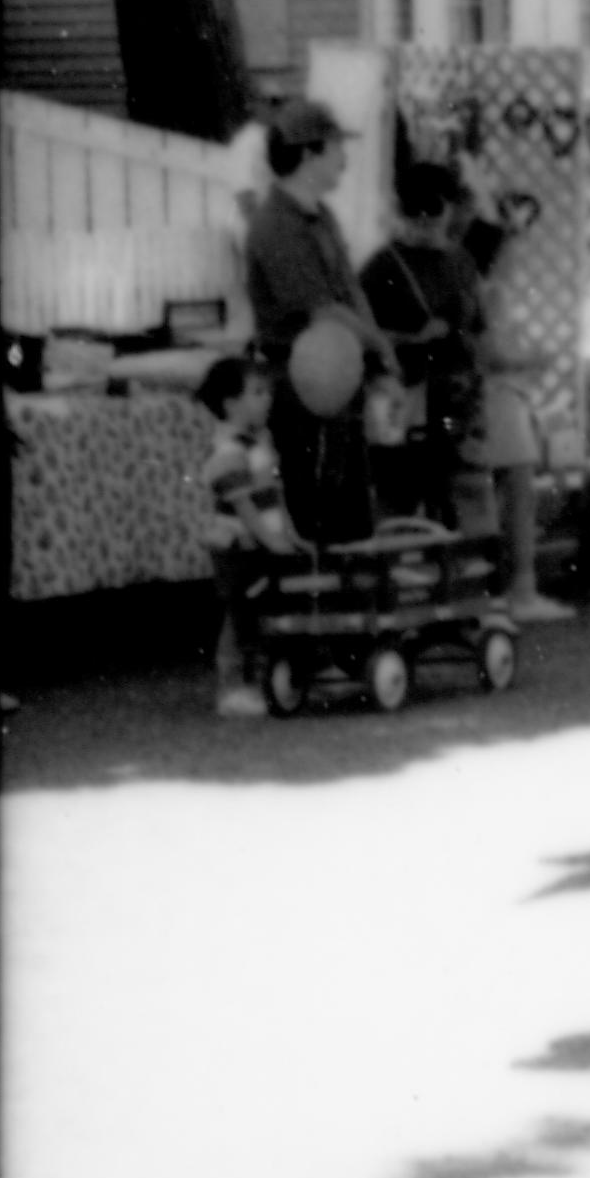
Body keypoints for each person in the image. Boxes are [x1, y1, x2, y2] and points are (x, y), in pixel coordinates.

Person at [360, 160, 572, 623]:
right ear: (401, 210)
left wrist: (515, 359)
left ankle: (496, 590)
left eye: (433, 212)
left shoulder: (459, 262)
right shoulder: (380, 269)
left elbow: (479, 334)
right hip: (410, 396)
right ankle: (409, 594)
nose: (425, 224)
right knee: (409, 494)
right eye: (415, 214)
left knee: (487, 476)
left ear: (448, 210)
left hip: (461, 394)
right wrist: (413, 341)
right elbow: (367, 341)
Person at [243, 98, 396, 550]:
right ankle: (322, 612)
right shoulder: (275, 225)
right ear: (308, 153)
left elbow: (351, 293)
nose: (344, 158)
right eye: (335, 147)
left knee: (350, 506)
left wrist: (379, 365)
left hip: (338, 381)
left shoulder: (320, 216)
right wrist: (382, 349)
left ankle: (352, 610)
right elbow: (322, 310)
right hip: (298, 385)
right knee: (316, 507)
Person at [196, 355, 297, 718]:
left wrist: (288, 533)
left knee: (264, 608)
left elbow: (276, 496)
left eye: (268, 391)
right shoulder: (228, 448)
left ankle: (264, 677)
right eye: (257, 392)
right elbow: (245, 507)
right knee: (239, 611)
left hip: (265, 541)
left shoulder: (262, 441)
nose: (267, 398)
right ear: (230, 403)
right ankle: (230, 687)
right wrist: (271, 540)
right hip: (238, 545)